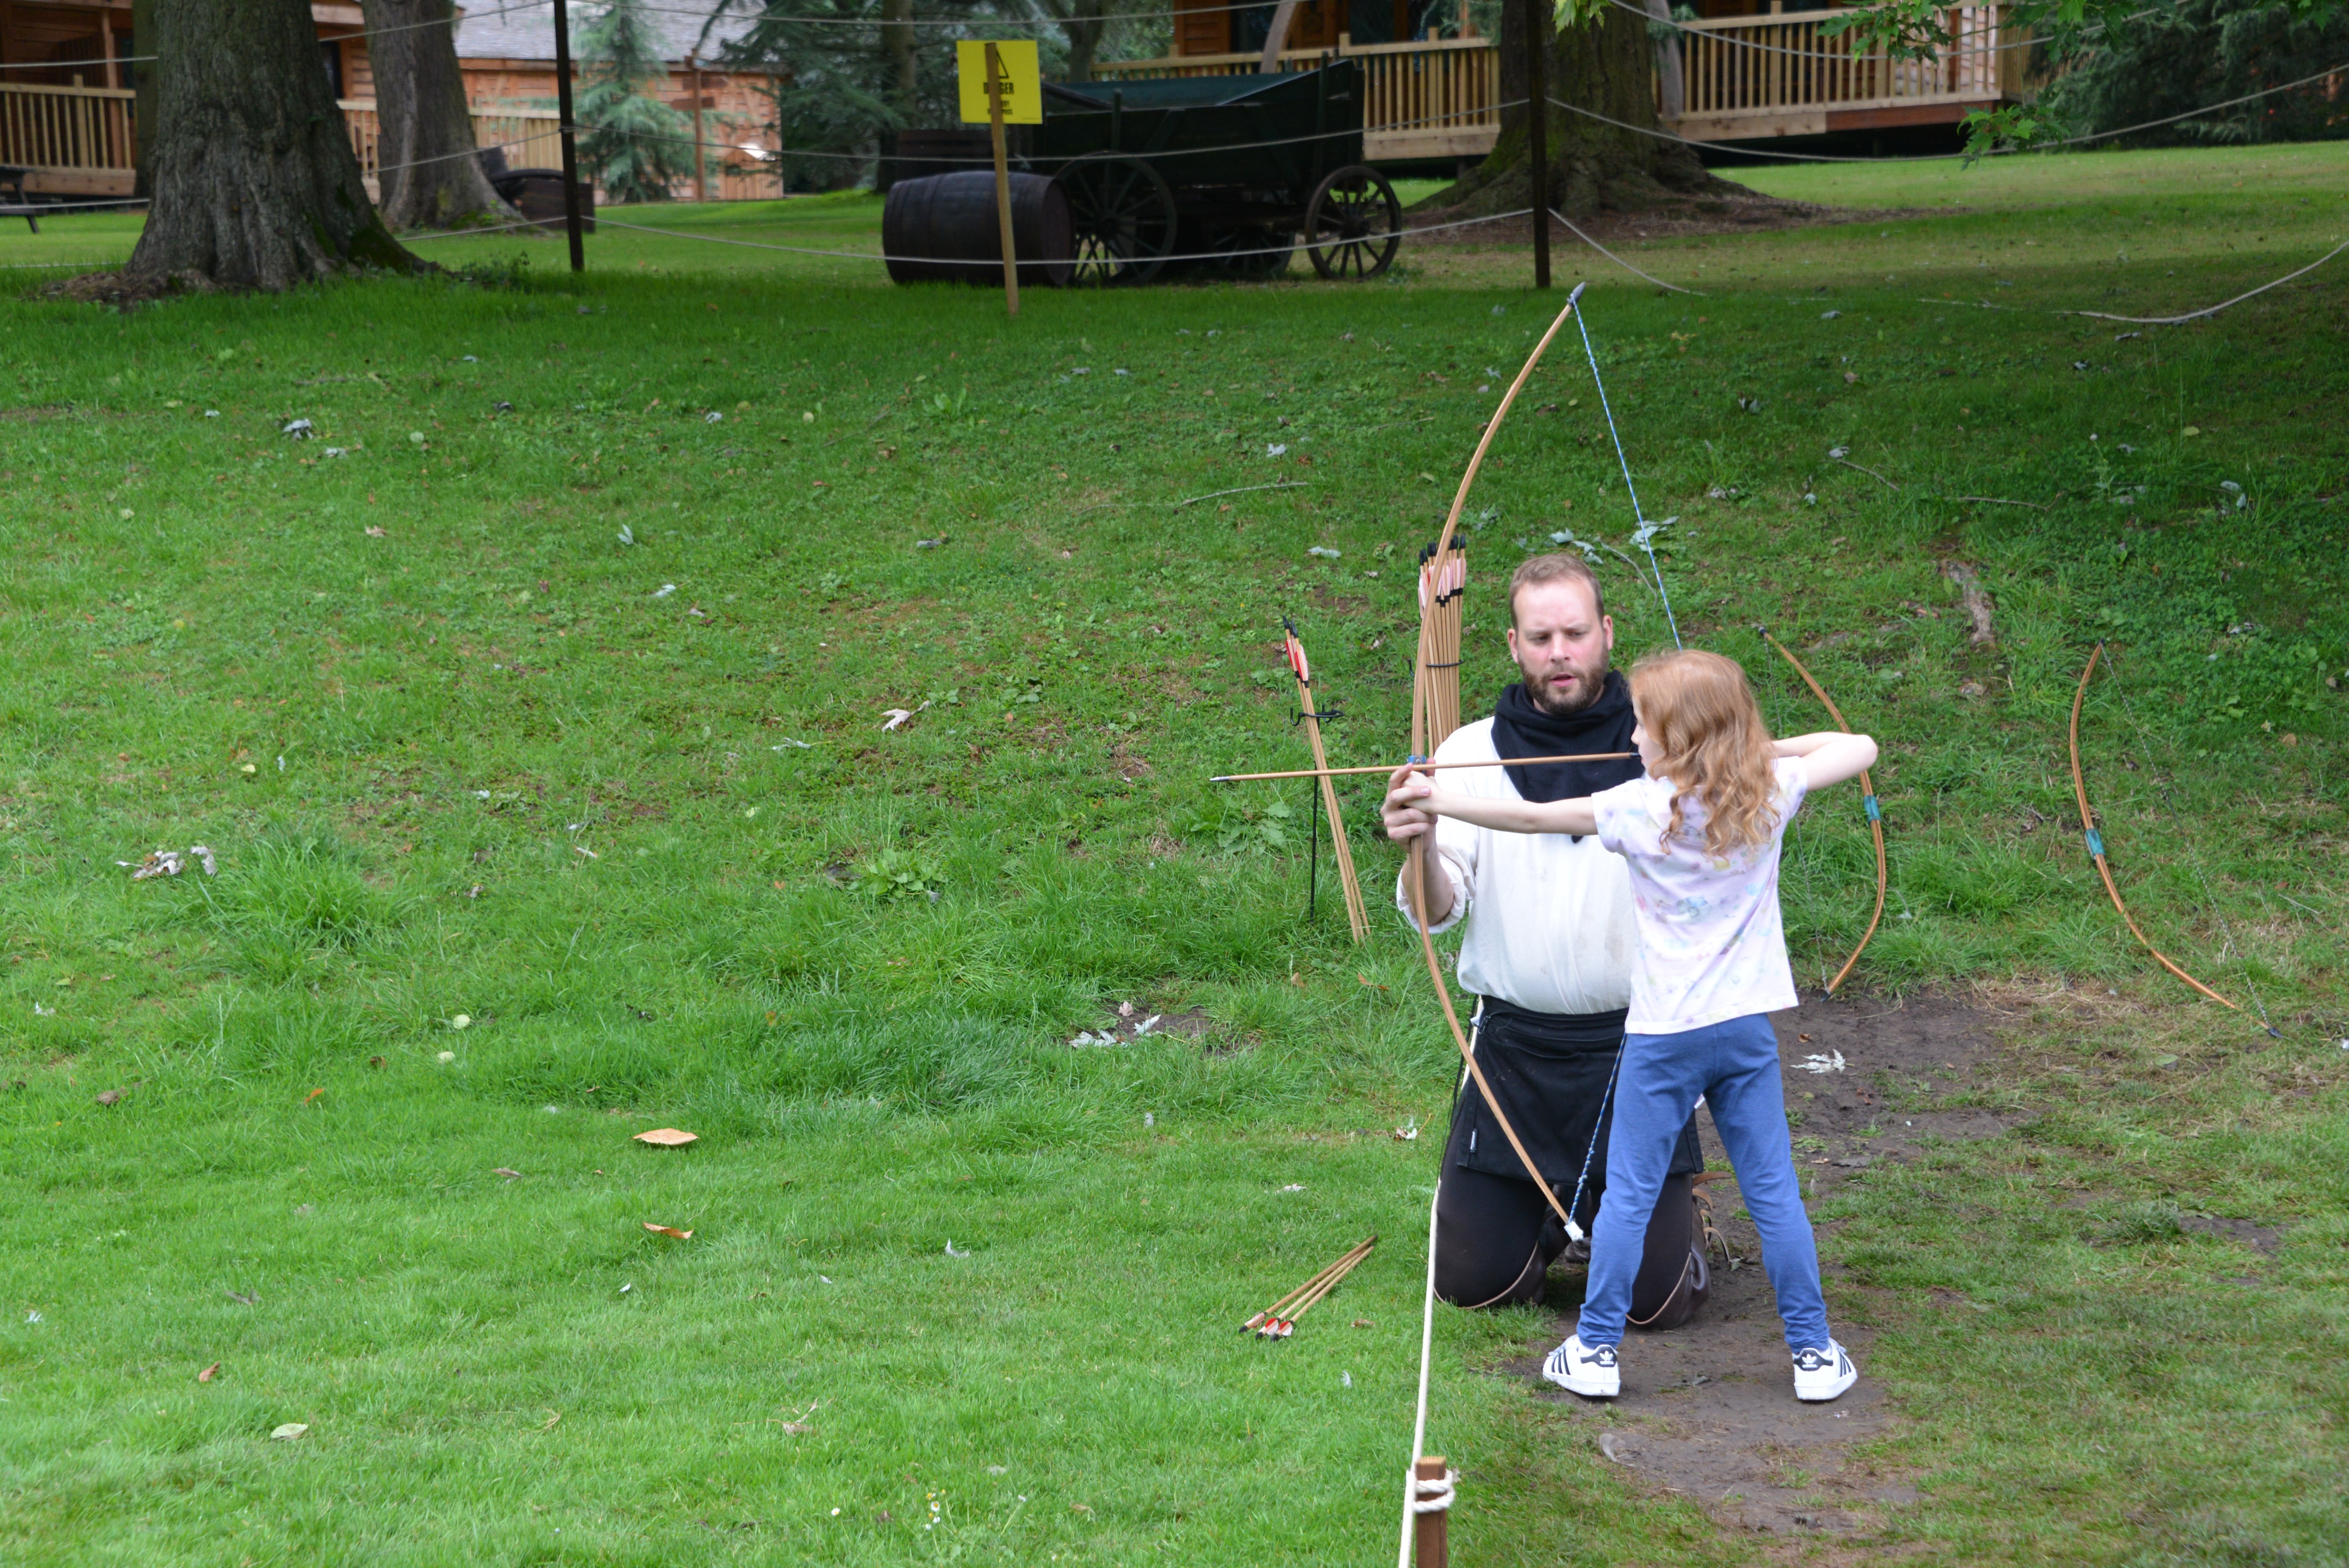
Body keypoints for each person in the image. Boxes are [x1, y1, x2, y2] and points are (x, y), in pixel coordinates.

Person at [1397, 647, 1876, 1404]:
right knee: (1773, 1191)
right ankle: (1812, 1353)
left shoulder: (1635, 807)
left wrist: (1437, 803)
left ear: (1677, 739)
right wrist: (1741, 755)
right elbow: (1855, 746)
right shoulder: (1769, 788)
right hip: (1741, 1032)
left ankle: (1592, 1350)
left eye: (1647, 728)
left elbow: (1527, 816)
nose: (1632, 741)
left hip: (1660, 1038)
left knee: (1626, 1192)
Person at [1381, 554, 1712, 1325]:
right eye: (1540, 637)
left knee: (1651, 1304)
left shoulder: (1666, 747)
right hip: (1513, 1052)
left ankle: (1664, 1230)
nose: (1558, 652)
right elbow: (1437, 911)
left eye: (1572, 632)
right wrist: (1419, 842)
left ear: (1605, 633)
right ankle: (1547, 1209)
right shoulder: (1466, 753)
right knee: (1474, 1285)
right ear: (1513, 644)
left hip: (1635, 1046)